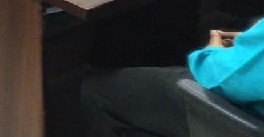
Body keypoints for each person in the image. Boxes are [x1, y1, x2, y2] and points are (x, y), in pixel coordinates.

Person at [80, 22, 264, 137]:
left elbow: (220, 78)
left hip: (241, 116)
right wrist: (253, 43)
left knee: (95, 91)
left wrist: (212, 51)